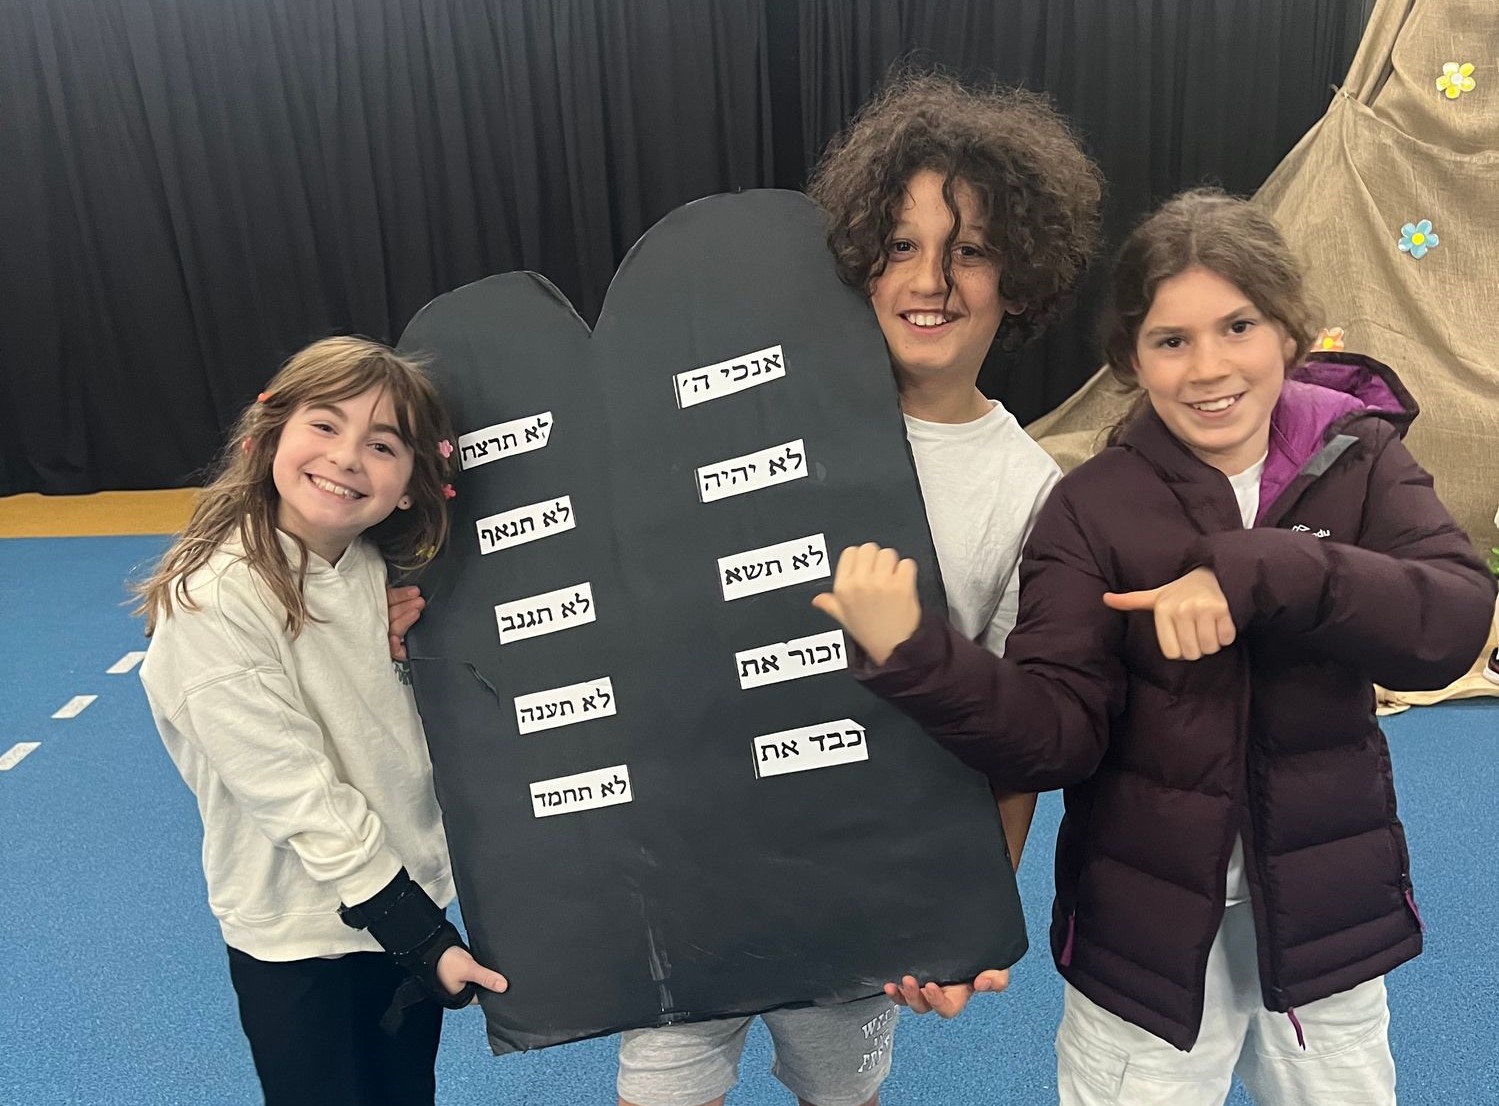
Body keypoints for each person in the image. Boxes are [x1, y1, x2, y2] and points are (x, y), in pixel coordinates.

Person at [811, 189, 1496, 1105]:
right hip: (1143, 937)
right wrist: (916, 655)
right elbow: (1055, 737)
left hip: (1326, 915)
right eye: (1171, 340)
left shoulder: (1361, 459)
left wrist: (1260, 572)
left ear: (1287, 330)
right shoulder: (1091, 510)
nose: (1208, 367)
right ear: (1131, 358)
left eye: (1237, 326)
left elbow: (1448, 629)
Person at [609, 71, 1104, 1106]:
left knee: (841, 1089)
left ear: (1018, 275)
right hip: (697, 853)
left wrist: (964, 914)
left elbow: (1012, 740)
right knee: (659, 1087)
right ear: (858, 261)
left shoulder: (1027, 493)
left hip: (859, 879)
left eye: (968, 249)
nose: (929, 277)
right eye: (901, 244)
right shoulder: (740, 413)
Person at [135, 336, 508, 1106]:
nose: (346, 458)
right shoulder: (213, 600)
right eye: (326, 426)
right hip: (302, 936)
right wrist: (420, 935)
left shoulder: (378, 577)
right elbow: (292, 790)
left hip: (402, 909)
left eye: (381, 444)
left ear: (410, 484)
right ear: (270, 434)